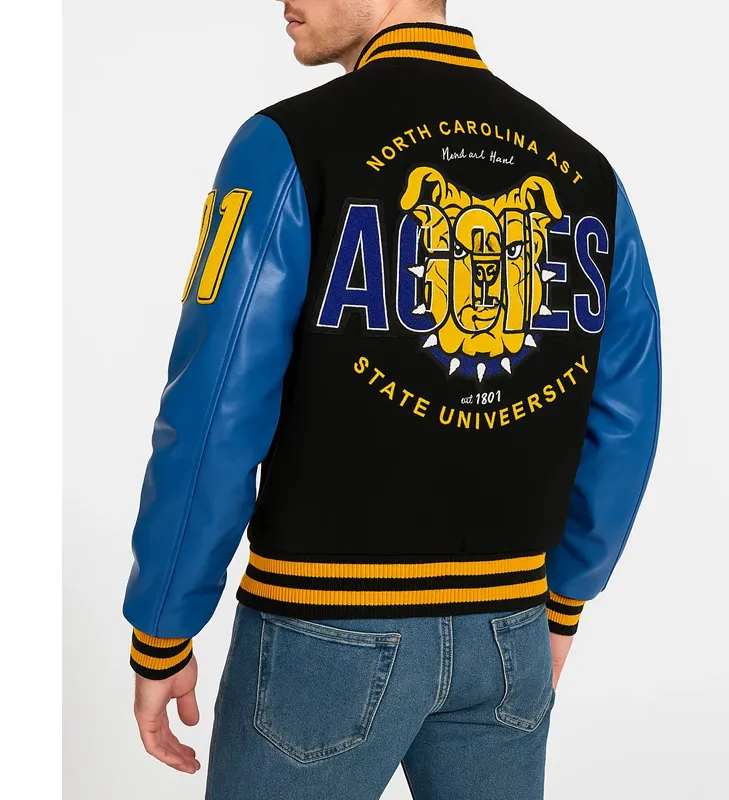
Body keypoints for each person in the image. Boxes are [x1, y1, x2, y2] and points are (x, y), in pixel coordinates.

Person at [122, 1, 662, 797]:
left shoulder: (286, 145)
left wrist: (164, 625)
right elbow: (627, 416)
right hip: (510, 631)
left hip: (323, 626)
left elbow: (214, 408)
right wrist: (564, 599)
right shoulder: (587, 172)